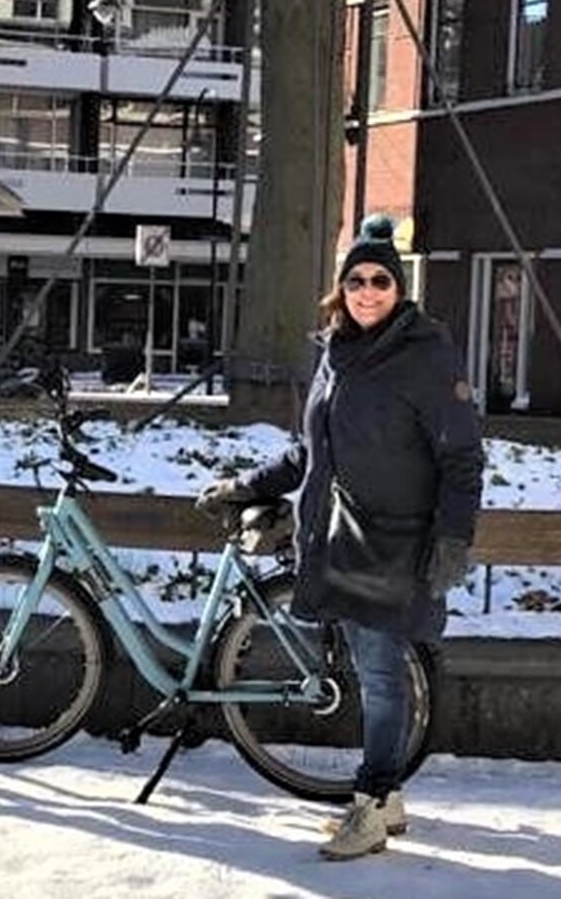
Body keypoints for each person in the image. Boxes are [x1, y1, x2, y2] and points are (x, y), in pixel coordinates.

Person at [196, 213, 484, 860]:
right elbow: (312, 449)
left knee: (381, 677)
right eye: (356, 278)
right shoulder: (335, 352)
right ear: (341, 287)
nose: (368, 290)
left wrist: (453, 539)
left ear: (399, 287)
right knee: (372, 672)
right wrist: (249, 482)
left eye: (381, 278)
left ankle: (371, 803)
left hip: (394, 543)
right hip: (340, 538)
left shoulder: (428, 355)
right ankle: (389, 801)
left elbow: (463, 456)